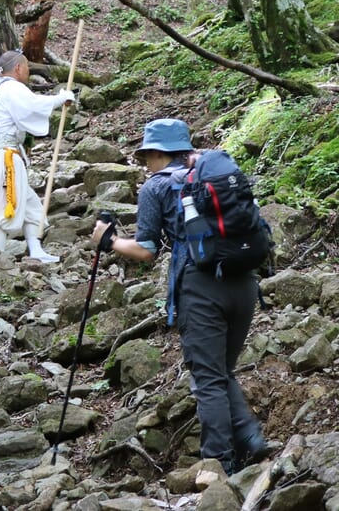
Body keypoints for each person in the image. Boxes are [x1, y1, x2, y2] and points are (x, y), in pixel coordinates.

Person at [92, 118, 269, 474]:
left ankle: (219, 463)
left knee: (207, 377)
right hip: (245, 280)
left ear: (157, 153)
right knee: (220, 369)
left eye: (146, 157)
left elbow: (145, 250)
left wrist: (108, 242)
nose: (144, 164)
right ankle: (251, 439)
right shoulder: (212, 174)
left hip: (202, 285)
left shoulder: (155, 188)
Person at [0, 49, 74, 263]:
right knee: (0, 208)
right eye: (27, 68)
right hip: (5, 157)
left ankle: (36, 250)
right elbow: (32, 106)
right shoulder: (10, 87)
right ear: (18, 68)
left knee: (31, 205)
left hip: (0, 155)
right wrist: (59, 99)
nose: (28, 72)